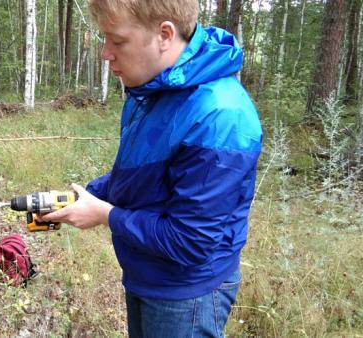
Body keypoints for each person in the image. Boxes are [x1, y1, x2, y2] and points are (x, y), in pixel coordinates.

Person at [41, 0, 263, 337]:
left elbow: (191, 242)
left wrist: (104, 215)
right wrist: (86, 196)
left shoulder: (220, 116)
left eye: (117, 41)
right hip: (146, 273)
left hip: (186, 294)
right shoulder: (153, 89)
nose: (106, 53)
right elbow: (144, 174)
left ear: (164, 34)